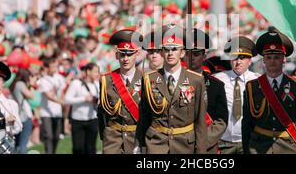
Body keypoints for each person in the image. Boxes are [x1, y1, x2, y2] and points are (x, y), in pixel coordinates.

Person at [136, 25, 207, 154]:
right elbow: (144, 117)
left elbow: (200, 120)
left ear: (183, 53)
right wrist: (141, 146)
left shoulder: (196, 80)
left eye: (175, 49)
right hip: (156, 144)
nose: (170, 53)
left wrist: (201, 150)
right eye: (167, 49)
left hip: (185, 145)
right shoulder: (149, 79)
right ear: (162, 52)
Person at [242, 30, 296, 154]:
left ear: (283, 59)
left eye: (277, 57)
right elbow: (247, 122)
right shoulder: (252, 86)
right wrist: (246, 148)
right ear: (263, 60)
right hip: (259, 147)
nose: (272, 61)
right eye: (268, 57)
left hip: (287, 146)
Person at [98, 28, 144, 154]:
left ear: (137, 54)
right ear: (116, 55)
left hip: (137, 139)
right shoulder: (106, 80)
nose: (125, 58)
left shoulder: (147, 80)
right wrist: (105, 137)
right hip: (113, 140)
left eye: (130, 54)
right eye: (122, 54)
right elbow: (101, 113)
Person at [184, 28, 228, 153]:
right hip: (179, 145)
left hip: (206, 147)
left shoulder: (216, 85)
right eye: (188, 53)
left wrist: (202, 142)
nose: (192, 58)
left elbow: (221, 120)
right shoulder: (172, 82)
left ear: (204, 56)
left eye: (196, 54)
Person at [213, 36, 259, 154]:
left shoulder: (258, 81)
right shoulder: (218, 80)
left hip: (249, 142)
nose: (238, 62)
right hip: (223, 142)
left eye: (242, 58)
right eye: (234, 57)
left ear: (250, 60)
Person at [65, 63, 100, 154]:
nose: (97, 74)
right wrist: (84, 99)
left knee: (91, 148)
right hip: (78, 121)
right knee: (78, 148)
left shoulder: (97, 84)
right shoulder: (76, 83)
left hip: (93, 120)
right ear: (88, 72)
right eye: (95, 71)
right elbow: (67, 99)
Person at [37, 57, 66, 154]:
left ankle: (53, 151)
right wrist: (60, 101)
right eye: (52, 66)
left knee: (56, 136)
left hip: (57, 112)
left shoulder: (60, 78)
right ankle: (48, 152)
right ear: (47, 68)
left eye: (55, 66)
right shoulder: (43, 80)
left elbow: (62, 92)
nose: (55, 68)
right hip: (46, 113)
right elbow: (48, 96)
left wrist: (62, 100)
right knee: (49, 136)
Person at [9, 69, 36, 154]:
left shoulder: (13, 84)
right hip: (23, 117)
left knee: (16, 144)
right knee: (23, 144)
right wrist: (31, 85)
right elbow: (31, 96)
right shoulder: (20, 84)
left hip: (16, 117)